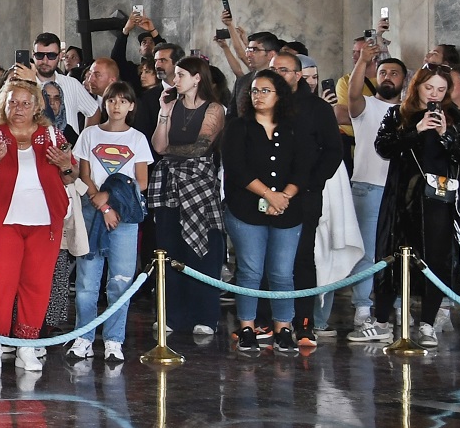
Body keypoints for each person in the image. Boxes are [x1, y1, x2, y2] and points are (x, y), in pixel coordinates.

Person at [0, 78, 74, 374]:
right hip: (4, 222)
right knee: (1, 284)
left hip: (44, 223)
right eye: (13, 102)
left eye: (26, 103)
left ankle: (27, 345)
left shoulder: (52, 135)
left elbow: (70, 176)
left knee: (37, 285)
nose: (18, 108)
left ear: (37, 107)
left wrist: (65, 163)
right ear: (4, 104)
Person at [372, 65, 460, 346]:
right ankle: (382, 321)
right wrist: (416, 130)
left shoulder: (454, 117)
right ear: (417, 86)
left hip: (440, 199)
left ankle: (428, 324)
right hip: (404, 197)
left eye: (441, 90)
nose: (434, 94)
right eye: (429, 88)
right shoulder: (398, 114)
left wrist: (447, 134)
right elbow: (384, 148)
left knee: (436, 259)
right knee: (394, 255)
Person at [218, 68, 312, 354]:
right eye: (254, 91)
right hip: (246, 208)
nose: (258, 96)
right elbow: (236, 168)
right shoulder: (237, 126)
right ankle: (247, 328)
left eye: (264, 91)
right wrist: (269, 194)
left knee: (283, 273)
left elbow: (304, 165)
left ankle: (284, 329)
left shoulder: (295, 126)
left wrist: (284, 197)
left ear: (279, 95)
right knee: (250, 270)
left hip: (288, 209)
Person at [70, 81, 153, 363]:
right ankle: (83, 337)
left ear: (131, 106)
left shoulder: (137, 139)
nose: (116, 105)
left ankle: (114, 339)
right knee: (87, 282)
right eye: (111, 100)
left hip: (125, 218)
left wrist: (112, 201)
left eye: (123, 100)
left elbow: (141, 182)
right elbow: (84, 175)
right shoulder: (89, 134)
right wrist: (103, 205)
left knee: (120, 281)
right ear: (104, 103)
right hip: (93, 214)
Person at [147, 57, 228, 339]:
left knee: (203, 250)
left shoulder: (214, 108)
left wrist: (171, 153)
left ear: (197, 78)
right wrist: (164, 113)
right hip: (170, 185)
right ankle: (172, 314)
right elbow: (159, 146)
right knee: (170, 250)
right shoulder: (173, 105)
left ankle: (205, 316)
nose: (175, 79)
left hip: (200, 183)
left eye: (181, 74)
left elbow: (201, 146)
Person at [271, 50, 345, 343]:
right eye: (274, 69)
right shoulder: (260, 103)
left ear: (298, 75)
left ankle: (303, 321)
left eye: (285, 70)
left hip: (305, 196)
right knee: (269, 261)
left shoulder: (316, 108)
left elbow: (333, 151)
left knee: (301, 258)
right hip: (266, 194)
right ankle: (271, 321)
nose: (278, 74)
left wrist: (311, 184)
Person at [341, 44, 406, 341]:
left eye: (394, 73)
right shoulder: (366, 106)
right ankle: (363, 310)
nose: (388, 76)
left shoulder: (408, 113)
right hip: (368, 187)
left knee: (396, 254)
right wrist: (363, 60)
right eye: (383, 72)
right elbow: (352, 95)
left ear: (405, 80)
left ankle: (393, 308)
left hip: (399, 192)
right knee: (366, 253)